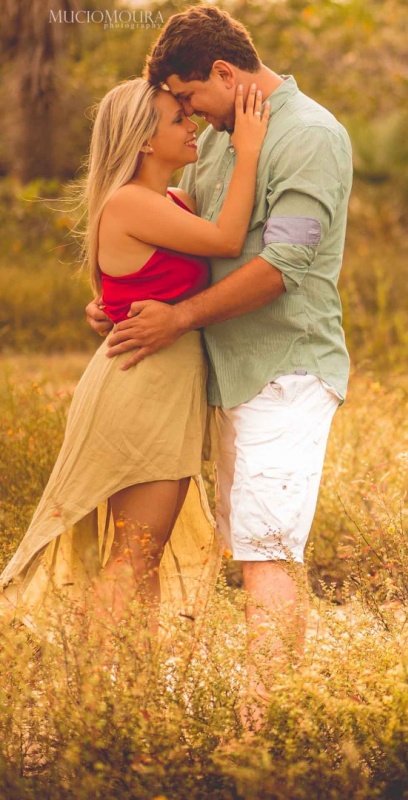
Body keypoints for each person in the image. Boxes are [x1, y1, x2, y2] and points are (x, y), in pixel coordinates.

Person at [86, 5, 353, 716]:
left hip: (284, 373)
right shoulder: (218, 141)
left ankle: (260, 734)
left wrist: (178, 317)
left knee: (267, 553)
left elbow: (283, 264)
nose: (190, 114)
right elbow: (187, 241)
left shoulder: (309, 137)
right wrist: (124, 300)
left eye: (190, 96)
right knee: (239, 551)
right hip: (219, 377)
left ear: (225, 74)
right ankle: (123, 713)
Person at [0, 78, 270, 637]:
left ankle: (130, 679)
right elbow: (226, 240)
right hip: (140, 389)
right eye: (178, 119)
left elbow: (146, 281)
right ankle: (100, 684)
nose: (192, 125)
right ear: (145, 140)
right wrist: (247, 149)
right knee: (134, 556)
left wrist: (108, 306)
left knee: (141, 554)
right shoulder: (129, 201)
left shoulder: (174, 201)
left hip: (164, 391)